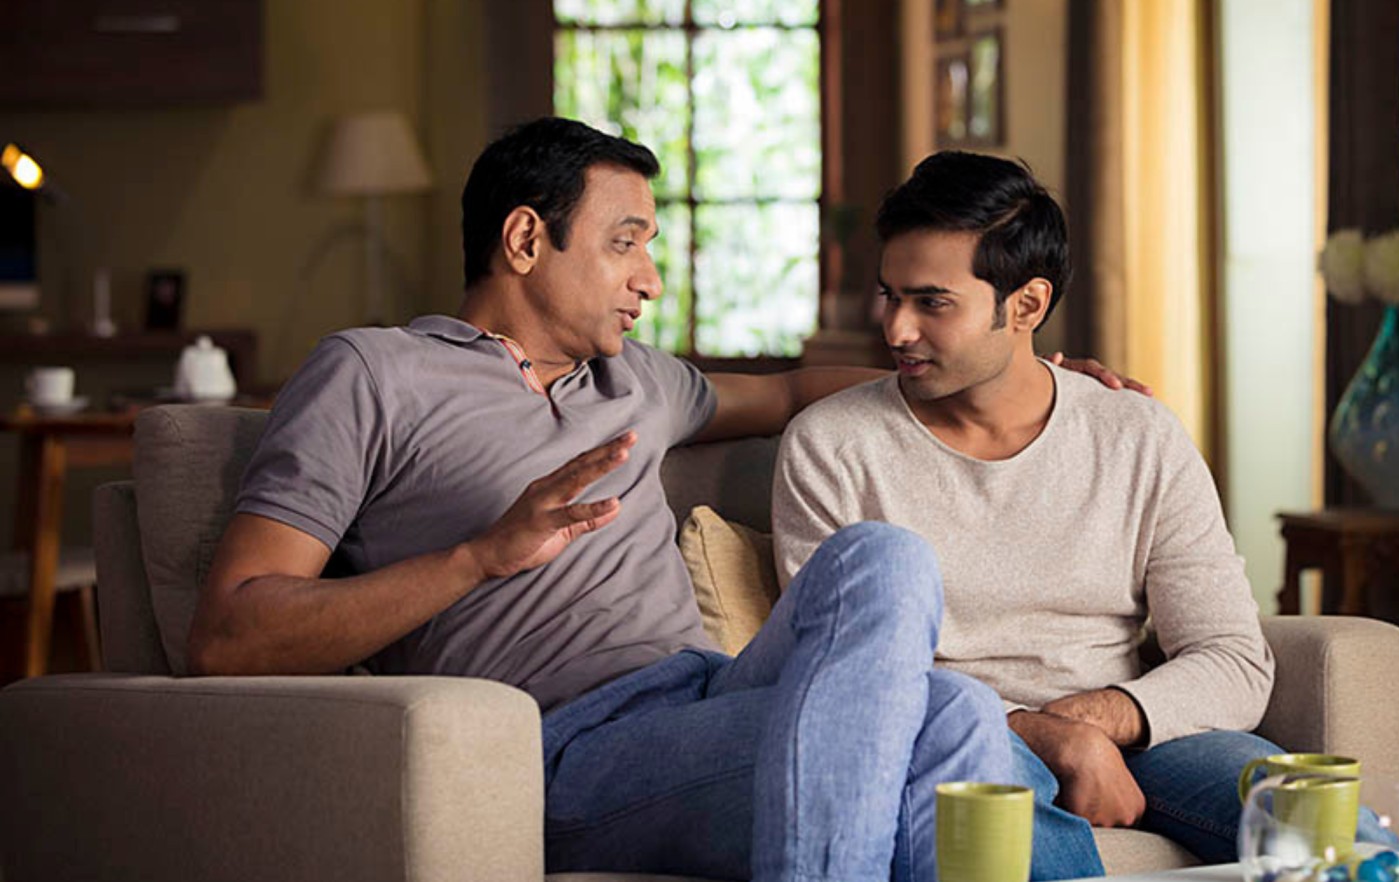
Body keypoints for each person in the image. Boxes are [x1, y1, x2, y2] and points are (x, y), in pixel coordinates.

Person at [186, 118, 1129, 882]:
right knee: (951, 720)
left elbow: (802, 388)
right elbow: (230, 636)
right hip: (567, 746)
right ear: (524, 239)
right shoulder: (372, 375)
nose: (650, 279)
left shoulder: (635, 379)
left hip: (708, 695)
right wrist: (481, 554)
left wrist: (1025, 372)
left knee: (889, 567)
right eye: (625, 243)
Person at [771, 151, 1280, 879]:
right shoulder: (833, 445)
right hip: (955, 735)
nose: (897, 330)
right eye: (890, 296)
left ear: (1027, 306)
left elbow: (1232, 657)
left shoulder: (1137, 434)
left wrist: (1092, 723)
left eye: (931, 302)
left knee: (1321, 822)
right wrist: (1039, 736)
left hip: (1140, 731)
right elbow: (851, 686)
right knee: (997, 822)